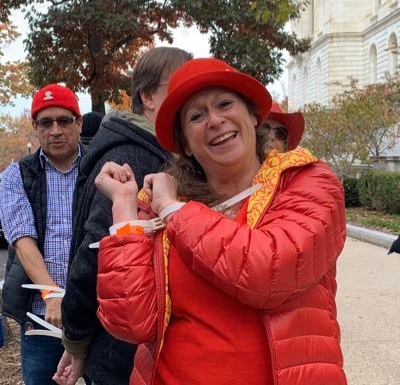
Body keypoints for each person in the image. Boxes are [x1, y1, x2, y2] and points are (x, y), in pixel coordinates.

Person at [94, 58, 347, 384]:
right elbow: (130, 321)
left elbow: (270, 270)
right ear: (185, 142)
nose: (214, 120)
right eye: (196, 116)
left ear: (253, 116)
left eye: (225, 104)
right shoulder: (161, 206)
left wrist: (174, 210)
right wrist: (124, 206)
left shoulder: (307, 181)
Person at [53, 47, 193, 385]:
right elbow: (95, 255)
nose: (189, 98)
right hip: (123, 356)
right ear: (148, 97)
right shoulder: (135, 157)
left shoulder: (135, 147)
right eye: (180, 87)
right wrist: (76, 340)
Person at [0, 84, 85, 385]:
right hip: (41, 318)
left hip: (96, 314)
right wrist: (52, 295)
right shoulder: (15, 176)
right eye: (46, 123)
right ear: (36, 128)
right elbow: (22, 241)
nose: (55, 130)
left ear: (79, 123)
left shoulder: (99, 168)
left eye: (64, 120)